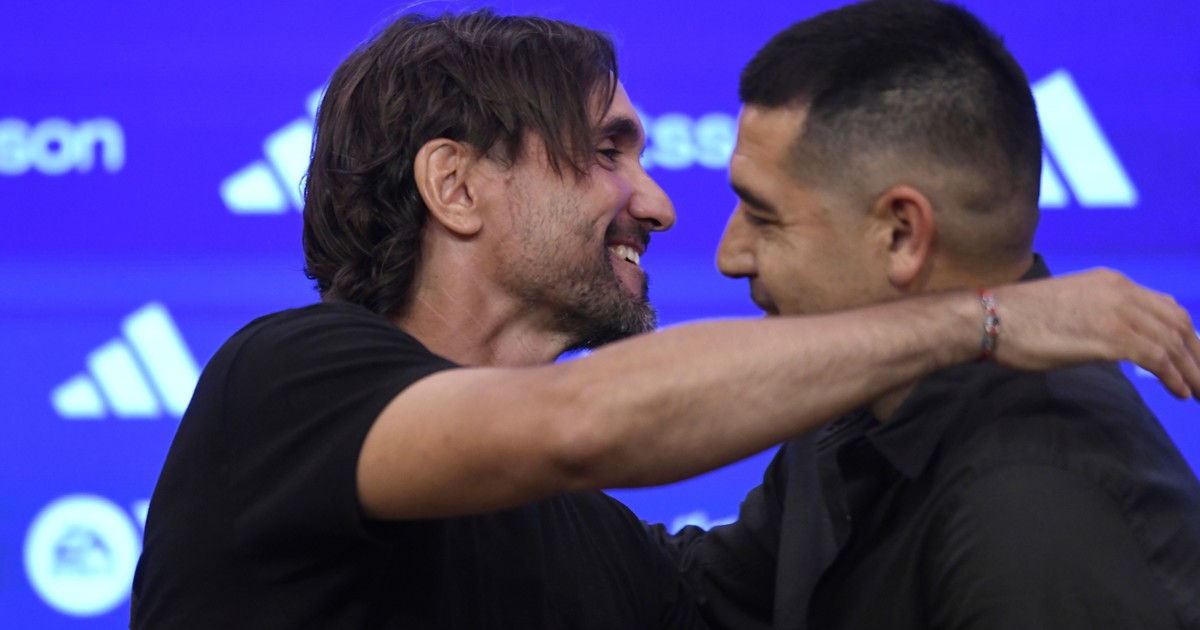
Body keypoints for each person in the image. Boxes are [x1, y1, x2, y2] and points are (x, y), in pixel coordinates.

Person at [131, 7, 1200, 629]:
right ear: (455, 186)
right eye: (608, 150)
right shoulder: (285, 383)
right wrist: (986, 318)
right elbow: (581, 424)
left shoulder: (587, 542)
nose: (660, 205)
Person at [654, 1, 1200, 629]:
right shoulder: (863, 400)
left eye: (763, 216)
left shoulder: (1034, 508)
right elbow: (700, 596)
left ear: (901, 235)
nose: (729, 256)